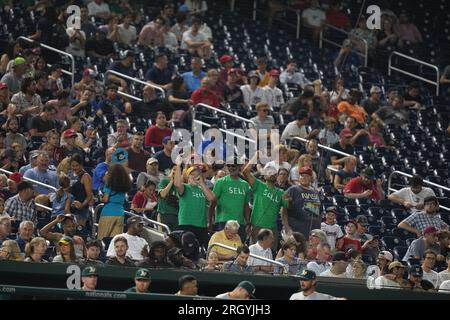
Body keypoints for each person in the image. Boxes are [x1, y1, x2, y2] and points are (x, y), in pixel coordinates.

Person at [242, 158, 288, 250]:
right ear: (264, 175)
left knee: (270, 254)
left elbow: (288, 207)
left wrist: (289, 199)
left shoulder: (281, 192)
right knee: (254, 252)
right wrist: (256, 156)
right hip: (257, 226)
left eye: (274, 172)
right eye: (268, 172)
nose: (271, 174)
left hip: (272, 228)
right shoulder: (258, 185)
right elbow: (245, 171)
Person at [174, 158, 216, 248]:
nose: (194, 176)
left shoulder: (203, 189)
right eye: (192, 174)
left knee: (199, 249)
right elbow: (177, 184)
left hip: (201, 225)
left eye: (197, 174)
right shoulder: (185, 187)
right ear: (187, 177)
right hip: (186, 224)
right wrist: (178, 166)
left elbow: (212, 198)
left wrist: (201, 183)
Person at [210, 160, 250, 242]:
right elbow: (213, 202)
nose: (231, 168)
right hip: (223, 221)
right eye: (229, 166)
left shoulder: (245, 184)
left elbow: (246, 205)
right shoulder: (220, 182)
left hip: (239, 223)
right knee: (221, 249)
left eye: (233, 165)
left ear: (239, 166)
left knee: (238, 250)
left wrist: (248, 222)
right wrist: (210, 221)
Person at [281, 167, 322, 238]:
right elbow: (283, 209)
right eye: (302, 176)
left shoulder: (315, 192)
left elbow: (319, 212)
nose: (304, 178)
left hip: (312, 232)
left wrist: (318, 228)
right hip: (295, 230)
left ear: (311, 178)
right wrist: (286, 227)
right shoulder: (293, 189)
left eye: (307, 176)